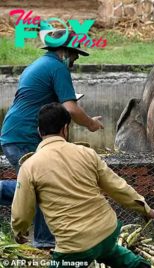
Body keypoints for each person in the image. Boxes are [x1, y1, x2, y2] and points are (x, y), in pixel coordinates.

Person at [11, 103, 154, 268]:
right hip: (107, 231)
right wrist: (146, 208)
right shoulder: (87, 153)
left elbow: (22, 211)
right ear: (65, 128)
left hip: (74, 246)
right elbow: (117, 186)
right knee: (112, 252)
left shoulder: (29, 166)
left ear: (39, 131)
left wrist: (19, 231)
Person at [0, 29, 104, 249]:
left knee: (38, 186)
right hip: (25, 135)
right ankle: (45, 242)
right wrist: (91, 124)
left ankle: (45, 241)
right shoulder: (58, 68)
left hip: (16, 133)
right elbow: (71, 108)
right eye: (75, 55)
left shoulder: (38, 65)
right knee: (42, 186)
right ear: (66, 51)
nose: (74, 60)